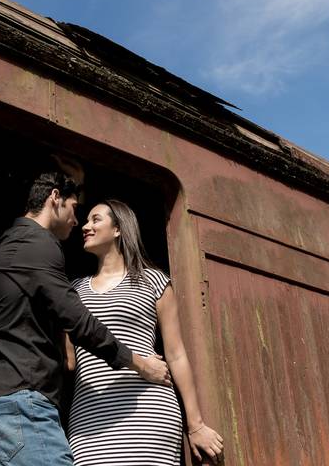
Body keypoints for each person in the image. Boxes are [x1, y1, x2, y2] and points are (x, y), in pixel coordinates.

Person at [0, 172, 172, 466]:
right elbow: (78, 322)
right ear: (55, 198)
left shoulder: (0, 247)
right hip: (22, 406)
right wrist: (140, 363)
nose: (77, 222)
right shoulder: (40, 245)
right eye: (75, 209)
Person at [65, 199, 224, 465]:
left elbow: (175, 355)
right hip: (88, 421)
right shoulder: (74, 290)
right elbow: (68, 360)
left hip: (147, 416)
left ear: (118, 229)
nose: (85, 226)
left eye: (95, 220)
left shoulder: (154, 281)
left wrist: (195, 425)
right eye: (86, 220)